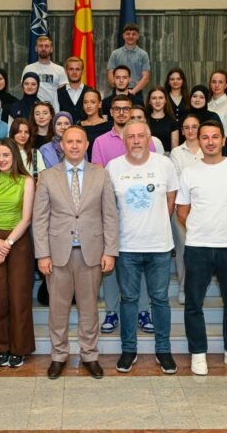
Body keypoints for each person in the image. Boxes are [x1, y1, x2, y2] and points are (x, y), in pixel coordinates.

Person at [32, 126, 119, 380]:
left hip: (91, 253)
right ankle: (59, 356)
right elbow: (40, 219)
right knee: (58, 310)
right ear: (62, 145)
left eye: (78, 141)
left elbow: (110, 216)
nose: (73, 145)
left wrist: (110, 251)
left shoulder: (101, 174)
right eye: (69, 141)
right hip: (58, 254)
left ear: (86, 145)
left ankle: (89, 355)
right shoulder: (47, 176)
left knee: (89, 309)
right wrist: (42, 254)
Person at [176, 120, 227, 377]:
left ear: (223, 140)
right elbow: (182, 211)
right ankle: (198, 353)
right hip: (198, 247)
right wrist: (200, 229)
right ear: (199, 141)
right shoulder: (189, 173)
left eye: (215, 137)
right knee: (193, 303)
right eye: (205, 137)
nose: (210, 141)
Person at [107, 119, 179, 374]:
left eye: (140, 136)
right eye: (131, 136)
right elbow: (109, 208)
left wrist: (156, 224)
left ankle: (163, 350)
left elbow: (171, 200)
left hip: (159, 246)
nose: (136, 140)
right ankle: (129, 350)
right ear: (124, 140)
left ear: (149, 139)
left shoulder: (164, 164)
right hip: (127, 247)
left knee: (160, 299)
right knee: (128, 299)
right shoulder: (113, 167)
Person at [91, 95, 157, 334]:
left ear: (131, 111)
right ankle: (111, 310)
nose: (121, 112)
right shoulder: (100, 141)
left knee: (140, 266)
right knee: (109, 263)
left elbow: (152, 169)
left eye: (125, 109)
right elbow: (99, 176)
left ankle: (143, 311)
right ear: (110, 112)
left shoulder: (145, 139)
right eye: (116, 109)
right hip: (112, 211)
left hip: (141, 211)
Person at [0, 138, 36, 368]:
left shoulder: (26, 180)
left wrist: (7, 244)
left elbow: (26, 218)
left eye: (6, 155)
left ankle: (19, 348)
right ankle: (0, 347)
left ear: (15, 157)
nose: (1, 159)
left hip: (18, 241)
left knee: (19, 297)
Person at [169, 115, 203, 304]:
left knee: (202, 250)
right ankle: (183, 288)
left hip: (205, 208)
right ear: (182, 131)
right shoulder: (177, 152)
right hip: (181, 207)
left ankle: (198, 288)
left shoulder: (207, 149)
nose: (190, 131)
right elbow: (176, 180)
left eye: (194, 126)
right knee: (183, 250)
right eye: (187, 127)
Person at [106, 23, 150, 105]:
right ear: (123, 36)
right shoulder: (115, 54)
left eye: (134, 34)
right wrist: (120, 89)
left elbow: (146, 77)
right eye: (128, 34)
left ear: (138, 36)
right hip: (118, 91)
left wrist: (133, 91)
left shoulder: (143, 54)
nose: (130, 36)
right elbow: (110, 75)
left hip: (136, 92)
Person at [21, 35, 68, 110]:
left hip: (53, 111)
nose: (43, 48)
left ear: (51, 49)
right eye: (40, 46)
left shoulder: (60, 70)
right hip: (32, 110)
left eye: (46, 46)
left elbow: (63, 94)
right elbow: (24, 90)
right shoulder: (28, 69)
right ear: (36, 48)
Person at [79, 89, 112, 162]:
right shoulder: (78, 127)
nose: (88, 106)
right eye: (85, 102)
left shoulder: (109, 126)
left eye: (92, 102)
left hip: (105, 164)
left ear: (99, 104)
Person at [146, 86, 179, 154]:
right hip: (148, 156)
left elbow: (175, 148)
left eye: (161, 98)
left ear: (165, 100)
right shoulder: (145, 120)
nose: (157, 101)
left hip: (167, 157)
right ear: (149, 101)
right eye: (154, 98)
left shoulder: (172, 121)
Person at [57, 56, 90, 123]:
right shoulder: (58, 93)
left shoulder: (90, 91)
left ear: (82, 71)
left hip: (86, 129)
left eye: (78, 69)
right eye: (71, 69)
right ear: (66, 71)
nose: (74, 72)